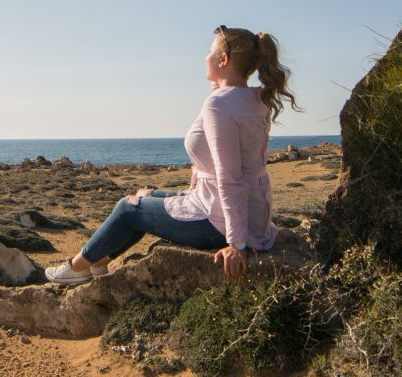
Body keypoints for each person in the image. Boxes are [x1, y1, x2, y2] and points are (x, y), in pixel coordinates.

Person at [45, 26, 298, 284]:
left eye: (210, 51)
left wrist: (237, 244)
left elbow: (230, 176)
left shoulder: (220, 105)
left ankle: (77, 267)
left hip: (220, 224)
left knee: (127, 209)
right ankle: (98, 261)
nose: (205, 57)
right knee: (145, 194)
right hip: (249, 215)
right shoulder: (254, 98)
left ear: (224, 60)